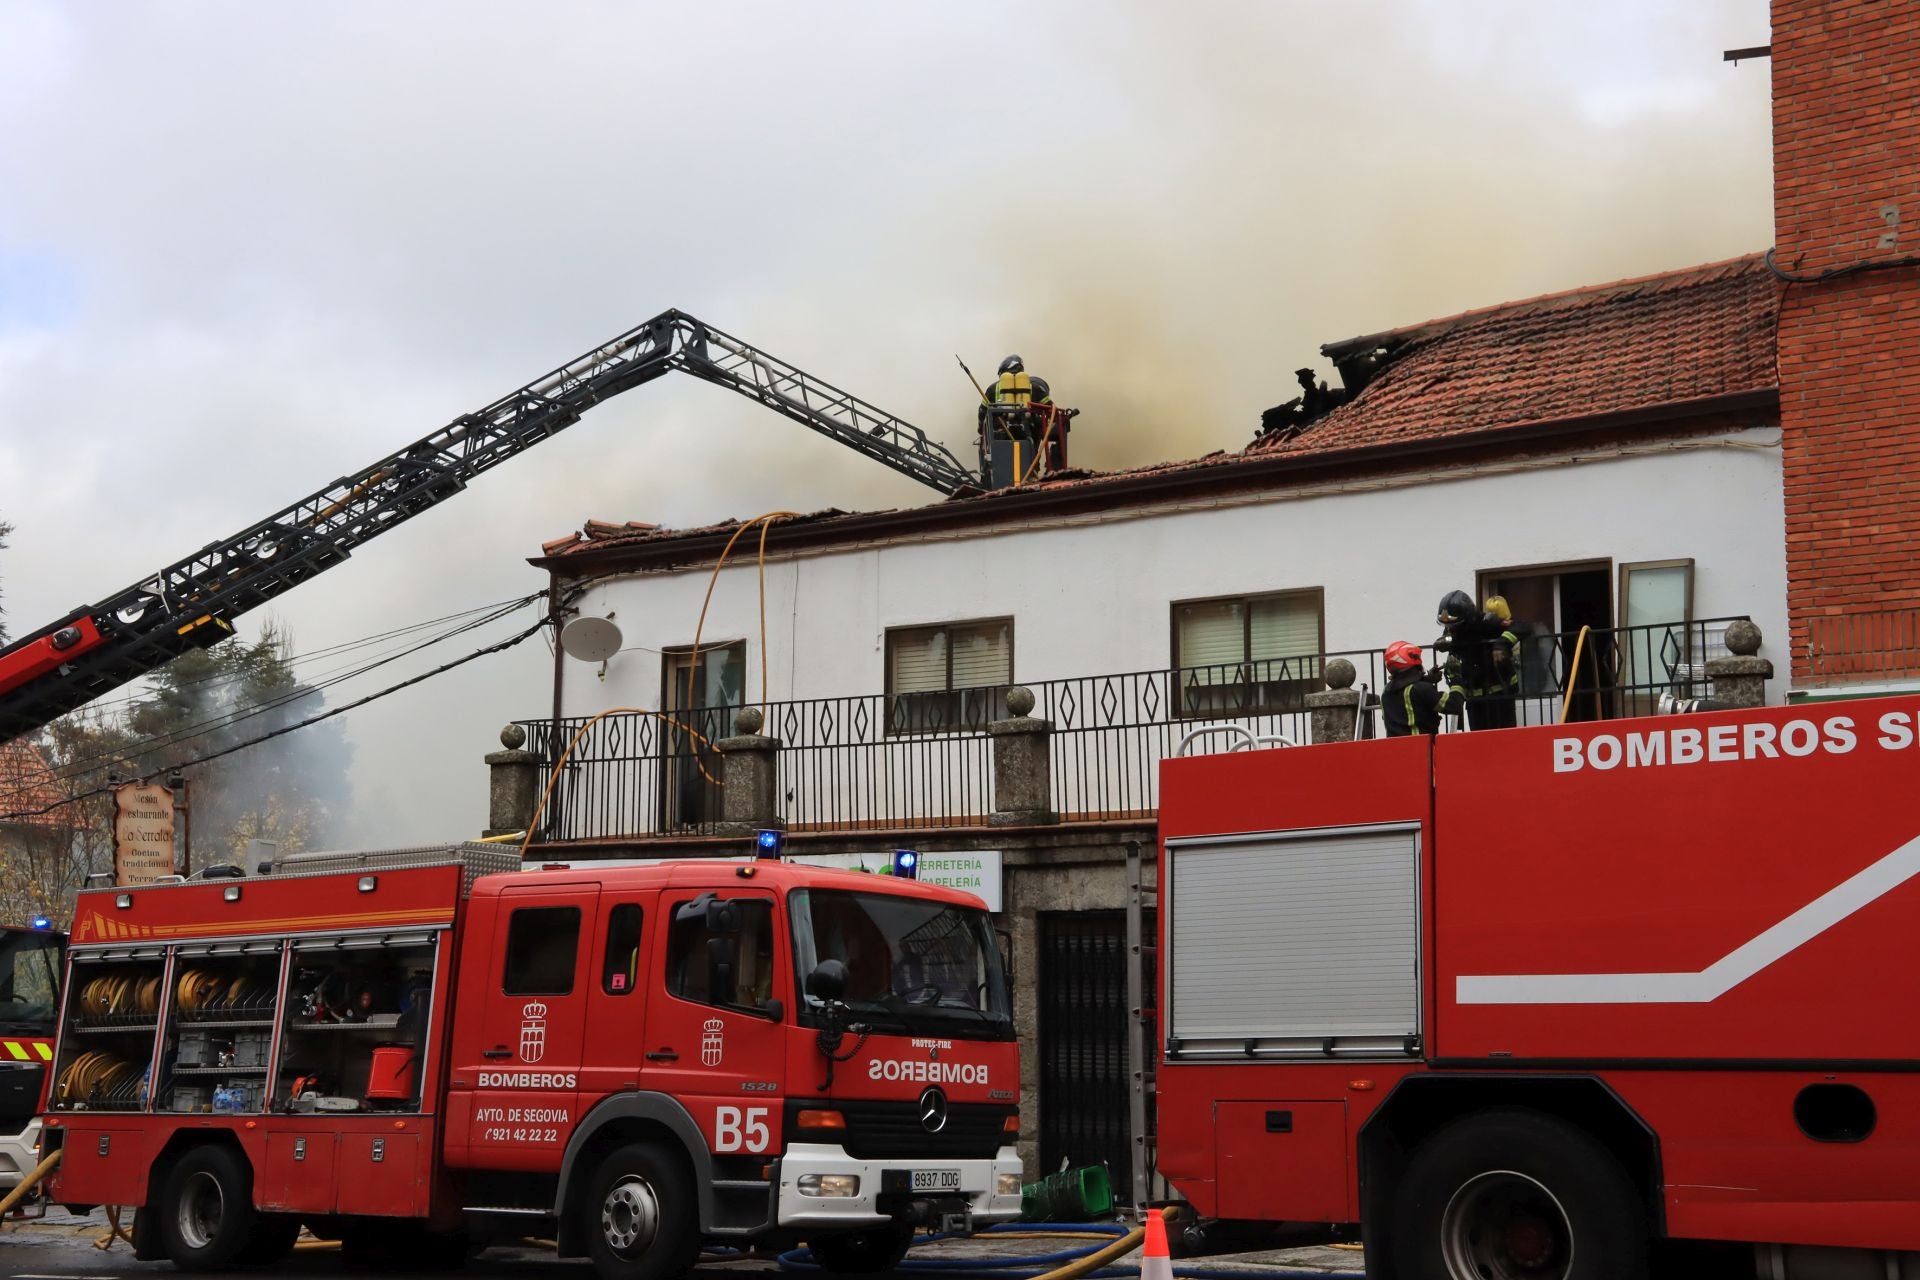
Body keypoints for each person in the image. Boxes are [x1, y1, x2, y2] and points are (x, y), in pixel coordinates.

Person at [1435, 589, 1513, 731]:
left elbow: (1520, 627)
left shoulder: (1487, 623)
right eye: (1448, 627)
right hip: (1473, 701)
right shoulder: (1456, 630)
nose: (1451, 630)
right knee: (1479, 747)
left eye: (1454, 626)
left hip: (1497, 698)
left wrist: (1501, 644)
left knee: (1504, 744)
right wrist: (1446, 643)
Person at [1382, 640, 1461, 737]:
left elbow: (1409, 695)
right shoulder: (1422, 689)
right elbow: (1454, 706)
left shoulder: (1386, 692)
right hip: (1421, 748)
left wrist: (1426, 680)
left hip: (1395, 749)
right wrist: (1456, 679)